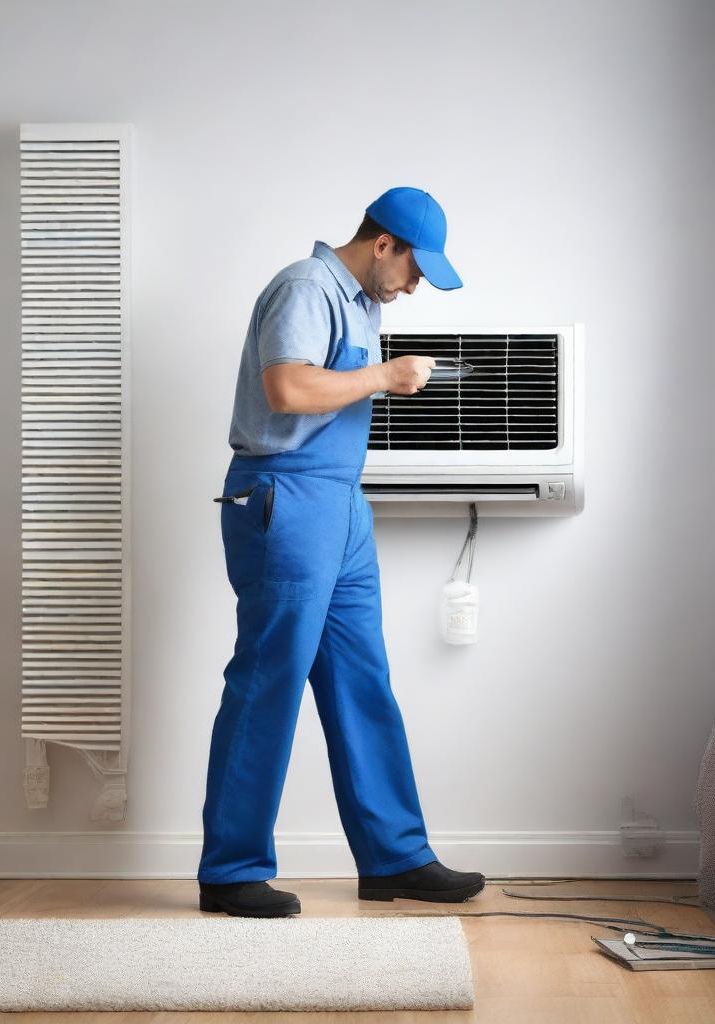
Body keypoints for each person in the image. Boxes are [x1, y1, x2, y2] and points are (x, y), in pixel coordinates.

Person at [196, 187, 486, 918]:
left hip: (340, 505)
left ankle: (395, 857)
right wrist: (387, 376)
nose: (418, 285)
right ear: (383, 242)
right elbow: (288, 386)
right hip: (284, 497)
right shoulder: (305, 285)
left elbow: (328, 389)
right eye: (418, 268)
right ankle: (230, 870)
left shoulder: (365, 305)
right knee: (269, 678)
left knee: (363, 679)